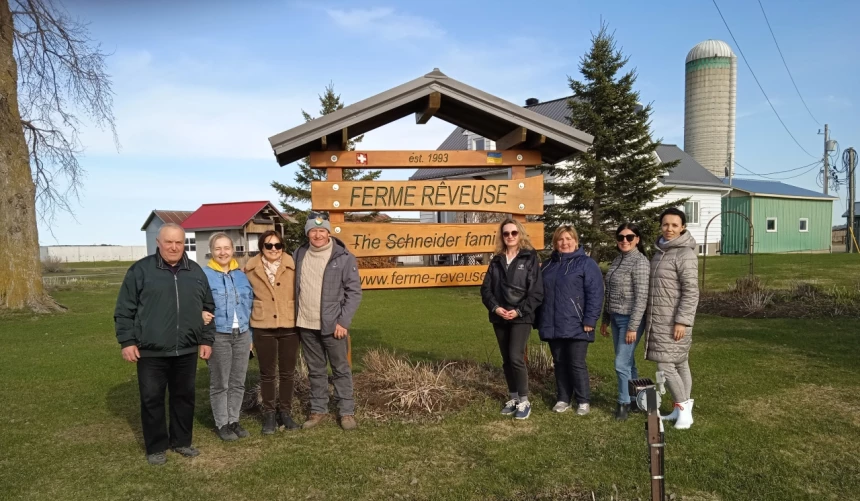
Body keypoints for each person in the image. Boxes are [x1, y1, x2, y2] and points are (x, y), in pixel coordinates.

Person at [114, 223, 215, 465]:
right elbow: (124, 310)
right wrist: (127, 341)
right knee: (152, 398)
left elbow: (208, 308)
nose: (173, 247)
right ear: (158, 243)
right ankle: (156, 446)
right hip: (152, 350)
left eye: (178, 242)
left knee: (184, 397)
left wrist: (206, 339)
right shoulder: (141, 271)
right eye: (168, 242)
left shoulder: (196, 272)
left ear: (184, 244)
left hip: (187, 349)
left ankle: (181, 441)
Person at [295, 211, 363, 431]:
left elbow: (354, 292)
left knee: (341, 369)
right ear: (308, 233)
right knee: (316, 370)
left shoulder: (343, 257)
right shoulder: (299, 254)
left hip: (334, 326)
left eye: (321, 230)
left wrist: (343, 322)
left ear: (328, 232)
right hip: (306, 323)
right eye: (313, 231)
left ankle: (346, 412)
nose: (317, 235)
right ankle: (318, 409)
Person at [537, 225, 604, 416]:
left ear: (575, 241)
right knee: (559, 362)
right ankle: (563, 398)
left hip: (577, 323)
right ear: (555, 243)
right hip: (553, 322)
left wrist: (590, 319)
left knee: (576, 362)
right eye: (560, 239)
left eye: (568, 239)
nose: (564, 243)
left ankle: (583, 401)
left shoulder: (586, 264)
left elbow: (595, 293)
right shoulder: (548, 265)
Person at [480, 219, 543, 420]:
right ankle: (513, 397)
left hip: (521, 316)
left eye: (513, 233)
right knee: (507, 359)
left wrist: (519, 311)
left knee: (516, 357)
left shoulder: (529, 257)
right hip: (499, 316)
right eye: (506, 233)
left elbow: (536, 291)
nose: (510, 237)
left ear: (520, 234)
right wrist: (496, 308)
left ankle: (524, 401)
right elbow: (486, 289)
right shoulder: (497, 259)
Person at [644, 208, 700, 430]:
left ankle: (685, 411)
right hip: (660, 319)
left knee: (665, 364)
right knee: (680, 363)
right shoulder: (661, 252)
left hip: (674, 322)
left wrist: (683, 321)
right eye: (665, 225)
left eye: (674, 225)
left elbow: (691, 290)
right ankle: (680, 409)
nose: (669, 229)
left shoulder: (684, 253)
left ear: (682, 227)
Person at [244, 230, 300, 434]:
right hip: (262, 324)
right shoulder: (249, 269)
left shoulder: (294, 266)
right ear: (262, 247)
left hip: (289, 324)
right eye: (269, 246)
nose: (274, 249)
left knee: (287, 373)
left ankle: (285, 412)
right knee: (267, 373)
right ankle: (269, 414)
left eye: (278, 245)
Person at [202, 233, 254, 441]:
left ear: (233, 250)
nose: (222, 252)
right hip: (219, 334)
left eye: (226, 248)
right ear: (212, 251)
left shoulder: (241, 275)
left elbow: (249, 305)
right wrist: (200, 313)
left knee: (238, 381)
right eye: (218, 248)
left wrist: (250, 337)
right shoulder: (204, 275)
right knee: (220, 382)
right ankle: (221, 423)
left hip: (241, 333)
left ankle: (234, 420)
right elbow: (195, 302)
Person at [600, 223, 650, 421]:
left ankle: (623, 403)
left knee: (621, 363)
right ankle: (637, 397)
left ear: (637, 239)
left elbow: (641, 297)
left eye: (629, 237)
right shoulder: (618, 259)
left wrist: (633, 327)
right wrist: (605, 319)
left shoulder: (640, 262)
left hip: (631, 319)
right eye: (621, 237)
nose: (624, 241)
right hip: (615, 318)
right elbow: (610, 292)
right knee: (628, 362)